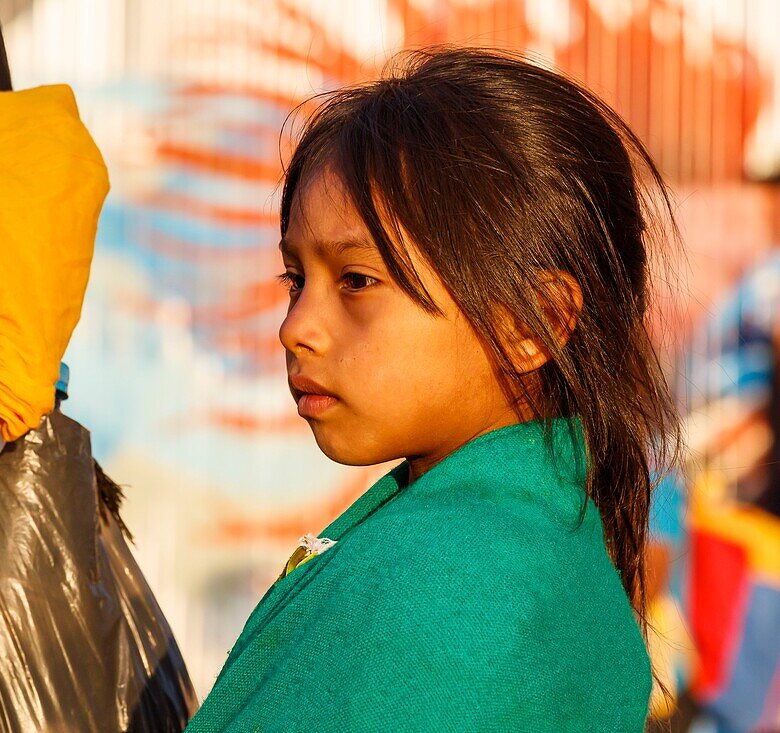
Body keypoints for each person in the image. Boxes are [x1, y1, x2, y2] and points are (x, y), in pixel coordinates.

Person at [185, 46, 680, 732]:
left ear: (533, 323)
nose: (295, 329)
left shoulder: (451, 584)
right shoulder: (534, 547)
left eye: (357, 281)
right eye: (295, 280)